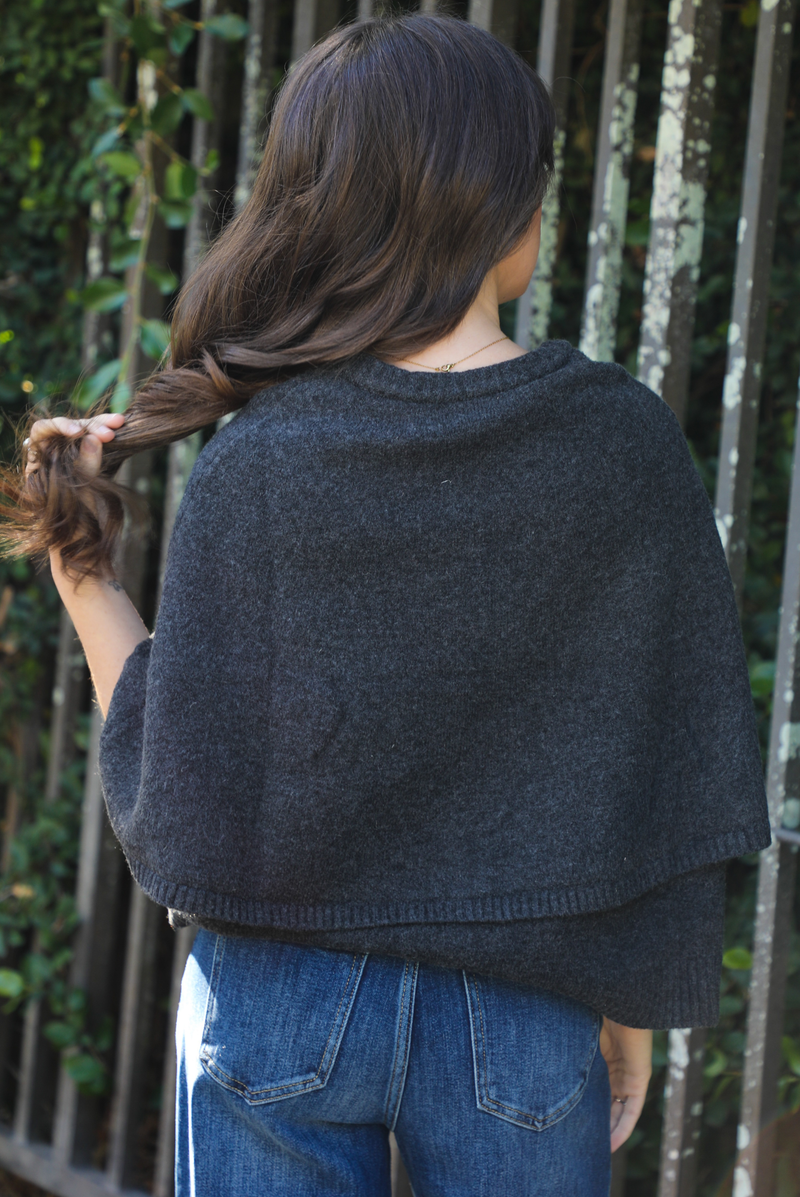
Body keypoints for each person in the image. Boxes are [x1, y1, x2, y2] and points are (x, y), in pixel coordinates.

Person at [2, 13, 770, 1197]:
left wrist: (82, 573)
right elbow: (661, 766)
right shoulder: (619, 443)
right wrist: (624, 1012)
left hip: (272, 1010)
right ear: (509, 212)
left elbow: (172, 781)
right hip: (522, 1015)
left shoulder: (261, 460)